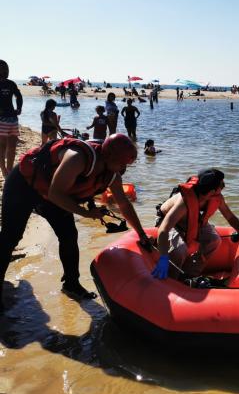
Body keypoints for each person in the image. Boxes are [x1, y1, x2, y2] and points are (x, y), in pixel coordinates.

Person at [0, 134, 150, 312]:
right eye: (122, 164)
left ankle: (72, 284)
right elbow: (56, 193)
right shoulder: (77, 158)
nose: (123, 169)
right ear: (109, 157)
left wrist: (141, 233)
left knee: (69, 235)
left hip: (50, 195)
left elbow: (124, 204)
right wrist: (86, 213)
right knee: (11, 237)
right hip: (24, 185)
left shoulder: (112, 175)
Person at [152, 168, 239, 280]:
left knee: (214, 240)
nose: (223, 186)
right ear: (211, 192)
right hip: (173, 223)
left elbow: (230, 216)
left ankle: (189, 275)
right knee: (180, 249)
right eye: (220, 185)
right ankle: (171, 279)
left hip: (194, 222)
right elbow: (164, 229)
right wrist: (163, 257)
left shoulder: (216, 198)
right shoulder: (184, 201)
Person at [0, 60, 23, 178]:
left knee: (12, 146)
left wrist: (19, 108)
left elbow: (18, 96)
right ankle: (3, 169)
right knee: (2, 146)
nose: (4, 71)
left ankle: (9, 169)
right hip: (1, 120)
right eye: (2, 68)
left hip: (12, 119)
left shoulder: (11, 84)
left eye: (6, 69)